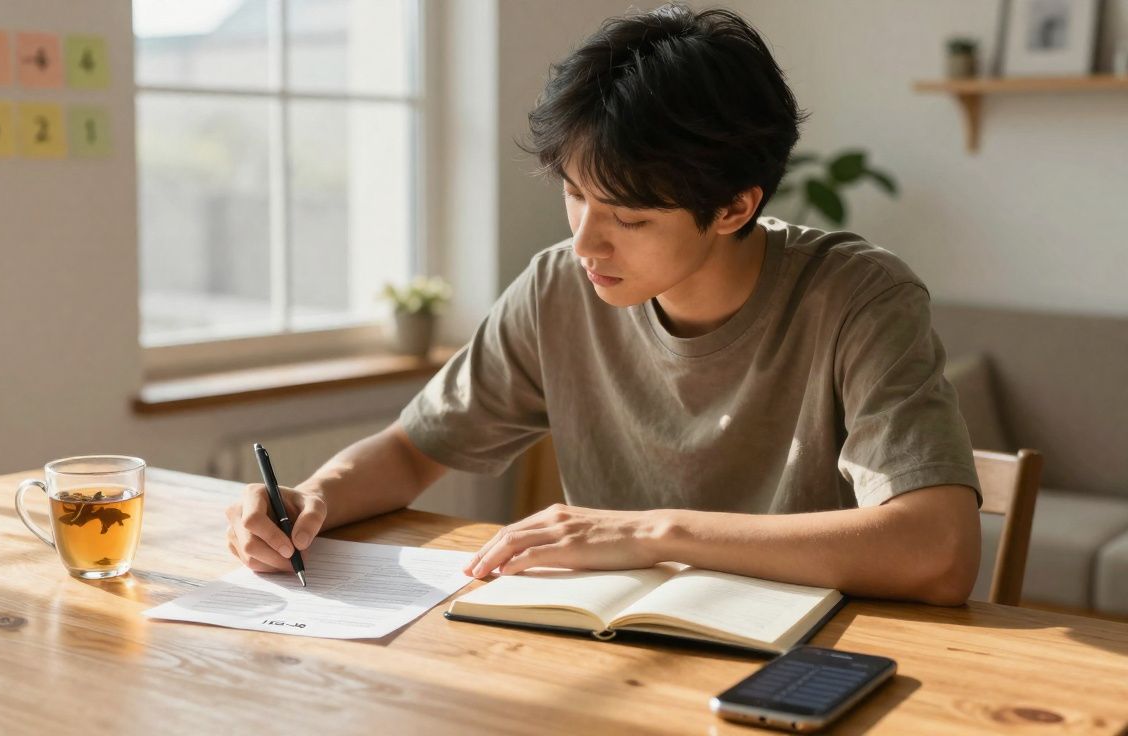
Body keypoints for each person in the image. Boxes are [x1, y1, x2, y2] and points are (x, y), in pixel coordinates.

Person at [225, 4, 982, 605]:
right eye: (574, 194)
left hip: (805, 659)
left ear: (733, 207)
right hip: (610, 647)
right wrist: (311, 498)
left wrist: (654, 533)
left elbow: (940, 551)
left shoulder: (857, 297)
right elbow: (411, 450)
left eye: (629, 218)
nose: (586, 243)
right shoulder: (560, 287)